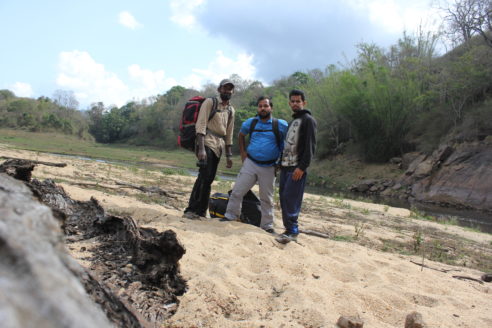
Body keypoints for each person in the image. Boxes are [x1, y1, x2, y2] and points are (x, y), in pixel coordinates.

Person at [220, 96, 288, 233]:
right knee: (237, 191)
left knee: (266, 198)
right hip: (250, 163)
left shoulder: (280, 124)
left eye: (266, 106)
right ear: (258, 108)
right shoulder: (250, 123)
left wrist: (281, 162)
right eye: (260, 106)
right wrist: (243, 152)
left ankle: (267, 226)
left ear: (271, 108)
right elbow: (241, 135)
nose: (263, 108)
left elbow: (287, 143)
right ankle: (230, 216)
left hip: (269, 166)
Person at [183, 79, 235, 219]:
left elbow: (229, 133)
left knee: (209, 178)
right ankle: (191, 210)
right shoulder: (210, 102)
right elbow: (201, 124)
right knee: (203, 176)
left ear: (232, 91)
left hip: (219, 145)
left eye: (230, 89)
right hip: (206, 142)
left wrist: (229, 156)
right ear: (219, 89)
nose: (227, 91)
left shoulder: (231, 110)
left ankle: (201, 211)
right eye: (225, 88)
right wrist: (201, 149)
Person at [276, 89, 317, 244]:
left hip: (296, 168)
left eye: (298, 101)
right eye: (292, 101)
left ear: (304, 103)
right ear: (289, 103)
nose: (295, 104)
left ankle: (293, 230)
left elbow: (310, 147)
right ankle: (288, 229)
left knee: (291, 198)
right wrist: (280, 163)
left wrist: (302, 167)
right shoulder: (293, 121)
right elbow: (287, 146)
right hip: (286, 166)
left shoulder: (308, 120)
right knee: (284, 198)